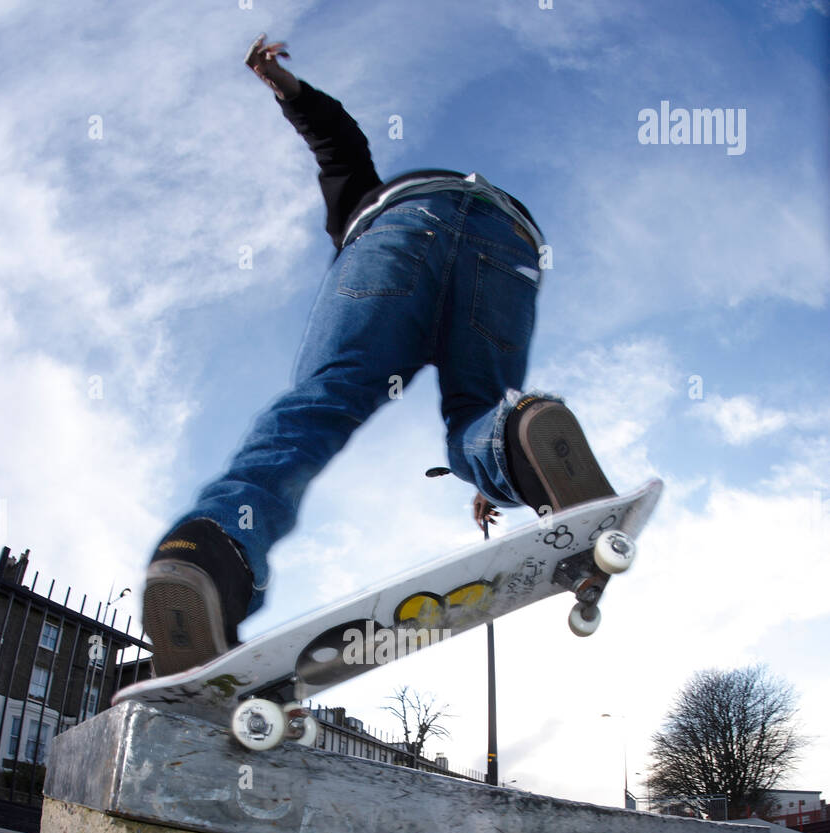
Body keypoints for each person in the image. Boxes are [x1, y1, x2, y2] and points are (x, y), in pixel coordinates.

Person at [142, 34, 614, 676]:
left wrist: (285, 87)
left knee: (323, 401)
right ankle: (515, 446)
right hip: (508, 240)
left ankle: (208, 552)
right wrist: (494, 471)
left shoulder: (358, 207)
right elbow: (342, 139)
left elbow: (339, 144)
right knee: (488, 413)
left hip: (402, 222)